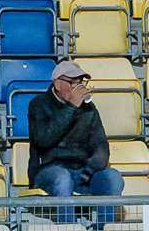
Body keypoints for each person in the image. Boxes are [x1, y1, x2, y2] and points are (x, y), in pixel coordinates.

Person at [27, 61, 123, 200]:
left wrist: (88, 171)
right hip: (48, 170)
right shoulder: (38, 104)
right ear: (58, 84)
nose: (78, 88)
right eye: (72, 83)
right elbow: (43, 140)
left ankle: (105, 222)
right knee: (62, 178)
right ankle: (67, 222)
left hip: (84, 170)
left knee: (113, 177)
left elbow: (101, 146)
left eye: (80, 83)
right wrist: (71, 107)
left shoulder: (89, 109)